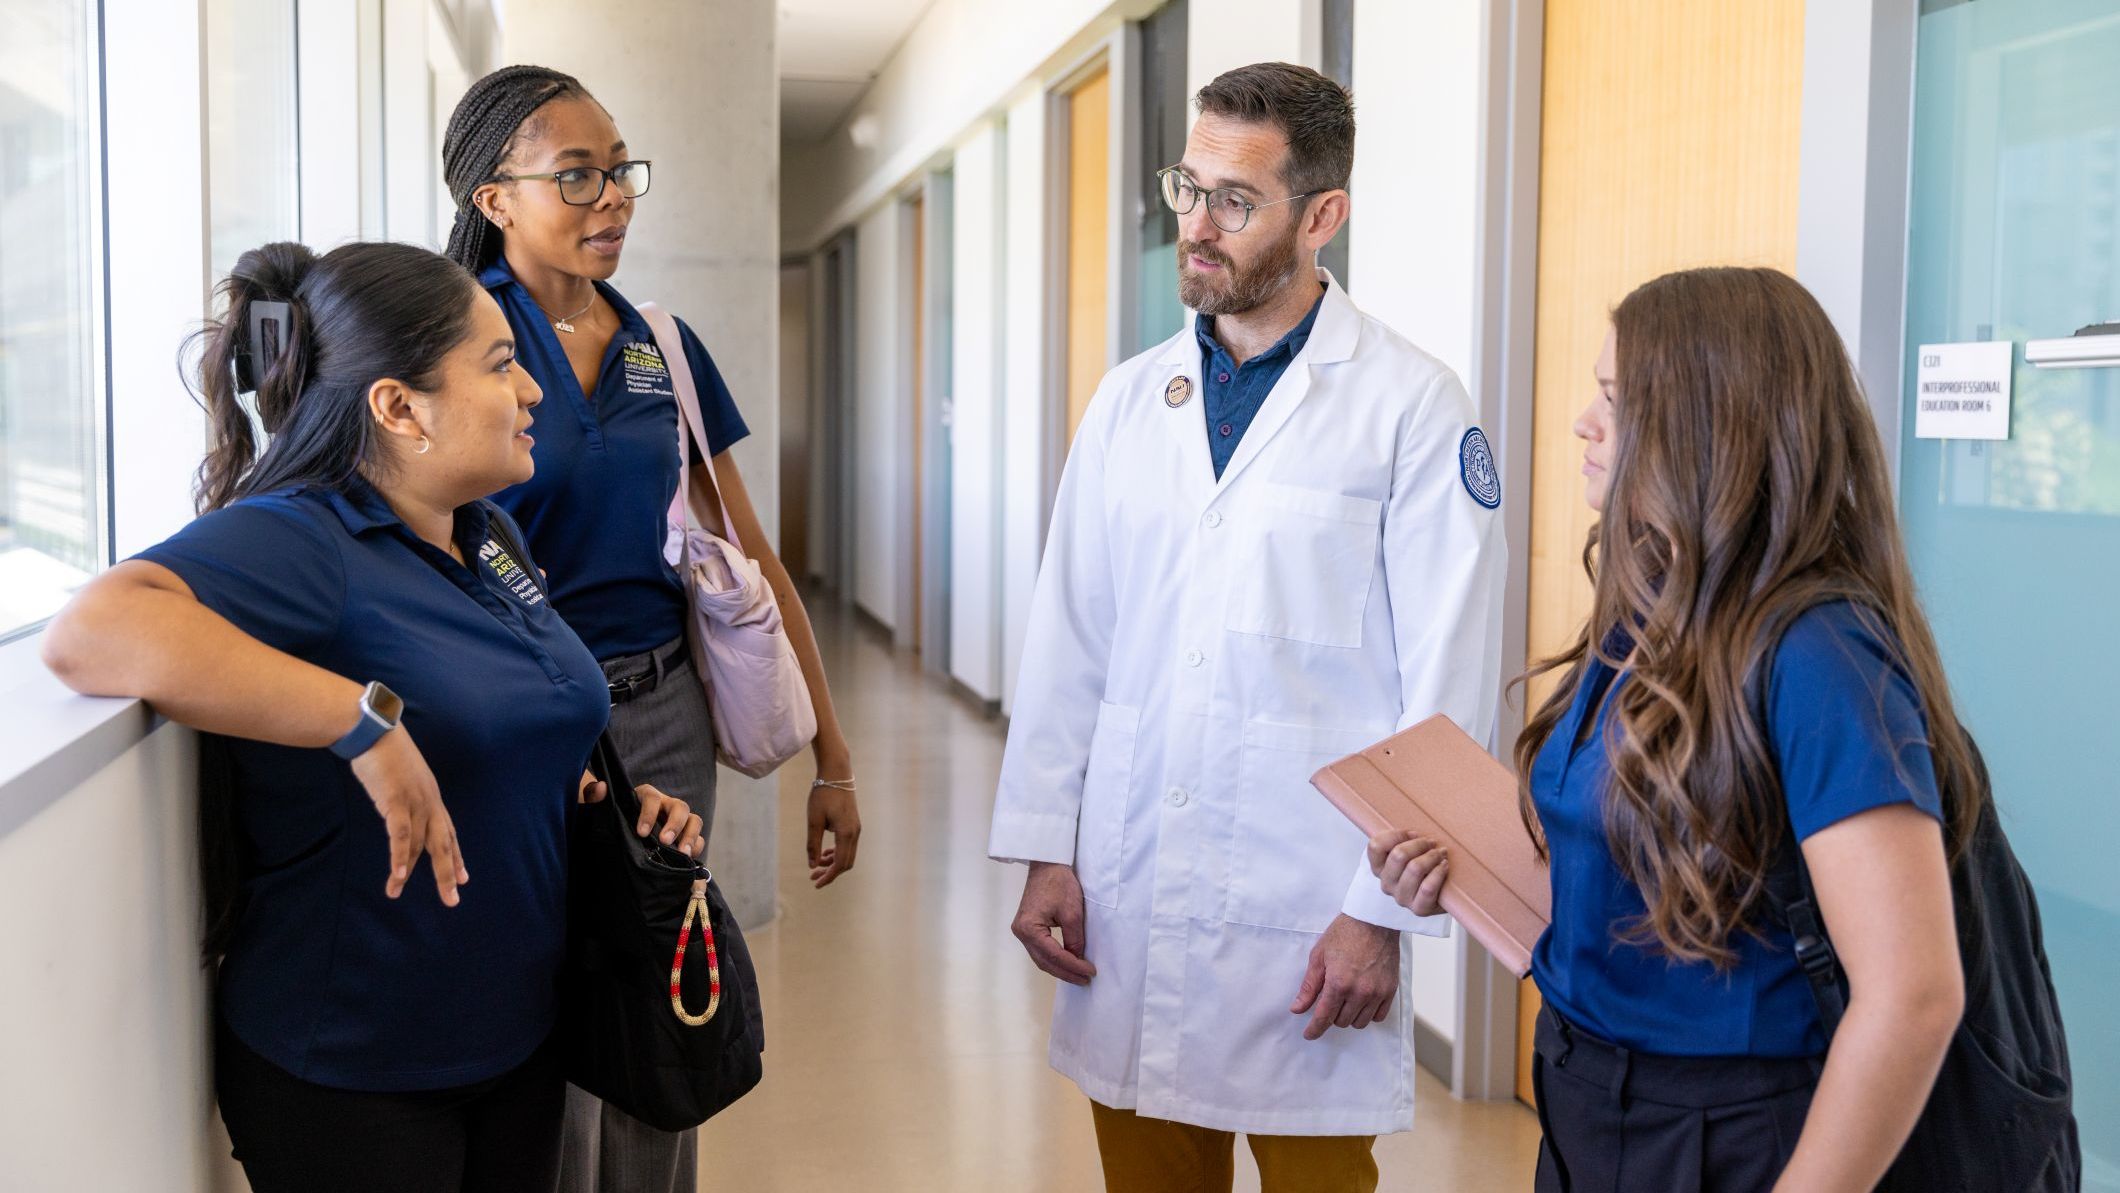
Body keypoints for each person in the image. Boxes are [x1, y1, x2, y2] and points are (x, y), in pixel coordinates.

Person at [40, 240, 703, 1193]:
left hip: (516, 1035)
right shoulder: (307, 536)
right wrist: (360, 721)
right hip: (360, 1065)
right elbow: (91, 630)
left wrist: (599, 798)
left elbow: (501, 718)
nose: (534, 395)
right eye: (501, 364)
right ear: (398, 405)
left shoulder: (487, 531)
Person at [989, 62, 1507, 1193]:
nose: (1197, 225)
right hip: (1128, 891)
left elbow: (1447, 683)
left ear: (1320, 216)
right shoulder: (1128, 402)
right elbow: (1069, 640)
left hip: (1309, 910)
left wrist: (1377, 912)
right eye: (1188, 186)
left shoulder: (1411, 405)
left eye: (1235, 200)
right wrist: (1043, 847)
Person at [1370, 267, 1969, 1192]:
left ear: (1708, 426)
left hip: (1731, 1131)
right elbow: (1637, 857)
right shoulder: (1651, 613)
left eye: (1615, 400)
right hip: (1582, 1093)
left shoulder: (1820, 652)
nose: (1583, 422)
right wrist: (1453, 871)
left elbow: (1914, 994)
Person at [438, 64, 862, 1192]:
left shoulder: (657, 344)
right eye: (574, 175)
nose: (611, 197)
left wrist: (834, 753)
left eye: (618, 170)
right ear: (495, 198)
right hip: (523, 728)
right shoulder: (447, 349)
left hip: (663, 707)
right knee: (542, 993)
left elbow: (753, 554)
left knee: (659, 989)